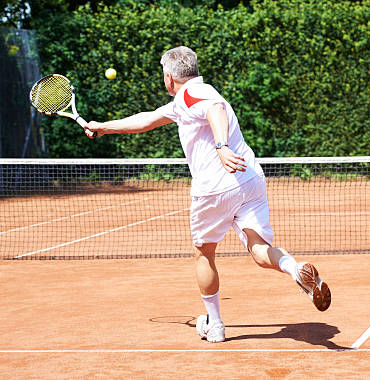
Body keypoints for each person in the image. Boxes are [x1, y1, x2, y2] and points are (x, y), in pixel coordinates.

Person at [84, 46, 331, 343]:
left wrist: (221, 146)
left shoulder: (193, 96)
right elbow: (147, 119)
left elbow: (215, 110)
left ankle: (215, 324)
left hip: (215, 187)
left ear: (168, 77)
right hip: (249, 179)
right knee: (258, 248)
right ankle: (295, 269)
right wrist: (103, 127)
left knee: (204, 254)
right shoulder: (183, 102)